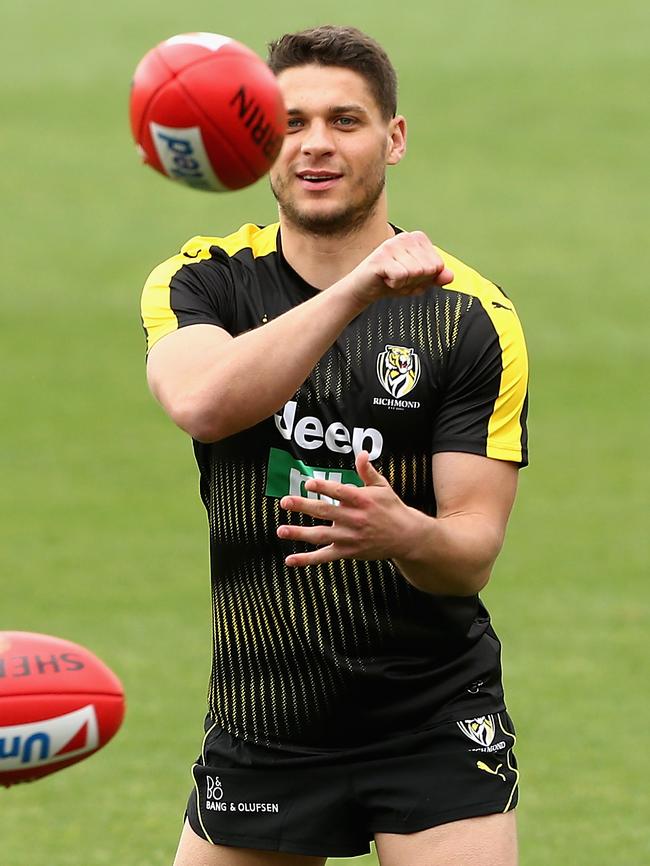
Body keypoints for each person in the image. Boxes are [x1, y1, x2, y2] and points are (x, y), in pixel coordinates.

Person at [141, 24, 528, 866]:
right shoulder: (203, 279)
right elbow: (204, 402)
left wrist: (405, 534)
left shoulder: (468, 315)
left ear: (393, 138)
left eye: (346, 121)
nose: (316, 144)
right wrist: (357, 288)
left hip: (431, 715)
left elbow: (469, 555)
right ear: (256, 144)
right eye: (289, 122)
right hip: (266, 715)